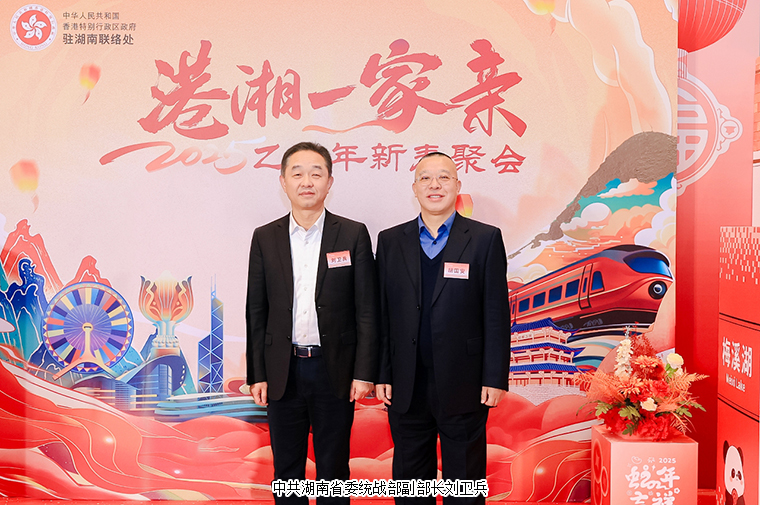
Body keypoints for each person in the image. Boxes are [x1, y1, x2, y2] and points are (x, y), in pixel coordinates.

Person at [246, 141, 378, 505]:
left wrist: (364, 372)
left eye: (316, 173)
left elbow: (367, 309)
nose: (307, 182)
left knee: (334, 469)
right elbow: (256, 310)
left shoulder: (352, 234)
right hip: (283, 370)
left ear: (329, 182)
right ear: (283, 181)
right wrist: (258, 373)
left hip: (334, 370)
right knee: (287, 470)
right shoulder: (265, 237)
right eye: (298, 173)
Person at [375, 152, 510, 505]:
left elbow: (496, 313)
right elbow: (382, 314)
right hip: (406, 383)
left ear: (457, 185)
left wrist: (494, 378)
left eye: (444, 177)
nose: (434, 185)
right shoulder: (390, 241)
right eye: (426, 178)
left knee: (464, 483)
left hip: (465, 381)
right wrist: (382, 373)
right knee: (409, 482)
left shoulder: (484, 238)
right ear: (414, 188)